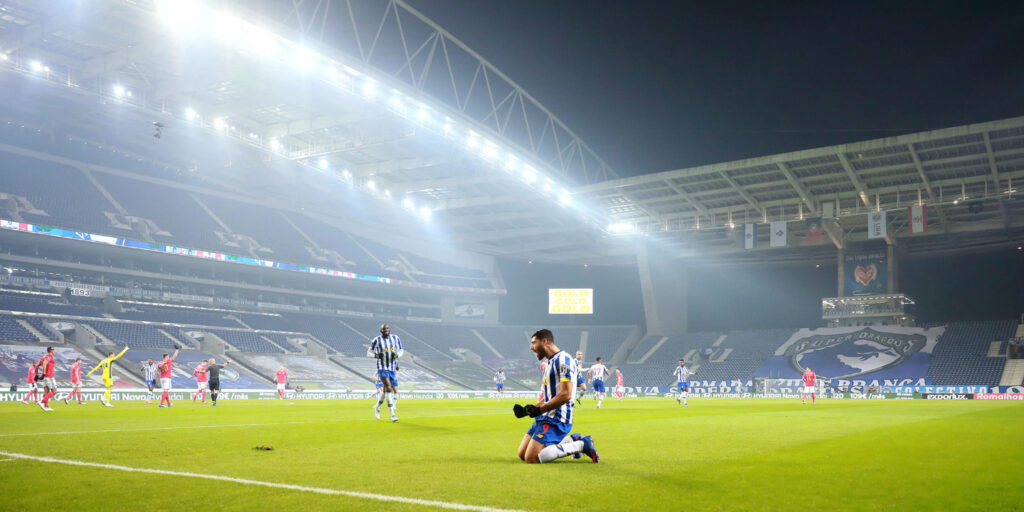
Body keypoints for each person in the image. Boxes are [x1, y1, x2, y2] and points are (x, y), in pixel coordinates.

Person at [513, 329, 598, 464]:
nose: (531, 347)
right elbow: (548, 397)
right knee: (522, 454)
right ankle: (571, 440)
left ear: (544, 341)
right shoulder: (549, 363)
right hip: (545, 415)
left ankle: (582, 445)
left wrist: (540, 410)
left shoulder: (564, 361)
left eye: (534, 343)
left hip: (558, 416)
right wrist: (528, 410)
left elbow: (566, 394)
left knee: (532, 458)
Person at [367, 323, 402, 422]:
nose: (385, 330)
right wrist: (377, 356)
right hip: (382, 367)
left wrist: (397, 355)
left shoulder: (395, 338)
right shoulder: (376, 340)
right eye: (383, 329)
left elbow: (401, 350)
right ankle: (392, 414)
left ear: (389, 329)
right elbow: (368, 353)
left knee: (386, 390)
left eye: (387, 328)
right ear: (380, 331)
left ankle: (377, 406)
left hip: (392, 368)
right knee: (388, 388)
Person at [36, 346, 58, 411]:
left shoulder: (43, 357)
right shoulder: (49, 356)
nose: (54, 351)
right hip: (49, 376)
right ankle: (42, 402)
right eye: (54, 350)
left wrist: (37, 374)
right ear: (51, 351)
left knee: (46, 392)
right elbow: (45, 364)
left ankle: (46, 407)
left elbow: (37, 365)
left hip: (45, 377)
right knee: (54, 391)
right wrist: (44, 373)